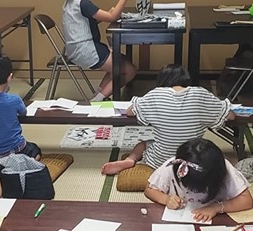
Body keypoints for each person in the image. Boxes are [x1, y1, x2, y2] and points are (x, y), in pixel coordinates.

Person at [101, 64, 236, 175]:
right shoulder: (200, 94)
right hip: (193, 158)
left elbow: (130, 112)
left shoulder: (156, 94)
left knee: (143, 144)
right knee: (207, 147)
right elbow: (230, 116)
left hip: (160, 160)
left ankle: (130, 160)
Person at [61, 0, 140, 100]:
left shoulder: (71, 1)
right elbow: (112, 17)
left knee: (120, 62)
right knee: (129, 70)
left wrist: (107, 14)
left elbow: (84, 21)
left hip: (76, 49)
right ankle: (97, 100)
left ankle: (98, 95)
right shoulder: (83, 3)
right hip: (86, 50)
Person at [144, 137, 253, 222]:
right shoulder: (173, 166)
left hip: (216, 220)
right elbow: (149, 190)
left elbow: (246, 200)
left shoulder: (226, 169)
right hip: (178, 219)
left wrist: (215, 208)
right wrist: (166, 199)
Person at [0, 52, 40, 160]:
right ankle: (24, 164)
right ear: (9, 77)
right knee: (35, 150)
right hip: (17, 150)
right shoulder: (14, 100)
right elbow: (23, 112)